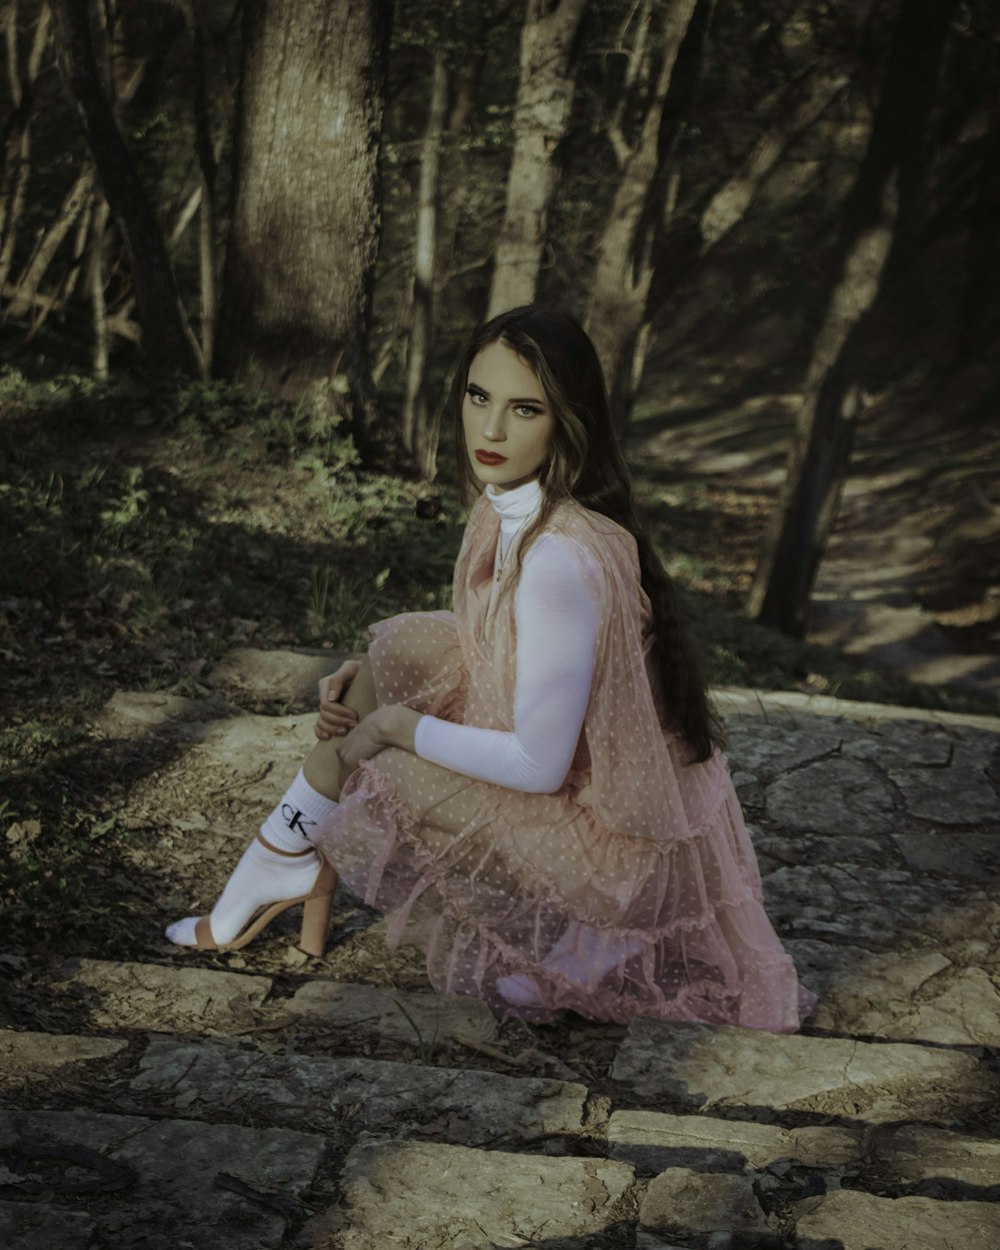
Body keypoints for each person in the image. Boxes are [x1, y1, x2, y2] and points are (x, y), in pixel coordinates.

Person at [167, 306, 814, 1031]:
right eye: (480, 398)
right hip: (609, 804)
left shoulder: (558, 559)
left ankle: (282, 862)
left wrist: (393, 724)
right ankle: (285, 852)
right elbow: (494, 642)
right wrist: (370, 668)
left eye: (524, 408)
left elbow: (538, 764)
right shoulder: (520, 507)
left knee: (382, 763)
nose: (492, 430)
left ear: (568, 421)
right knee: (396, 648)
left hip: (618, 856)